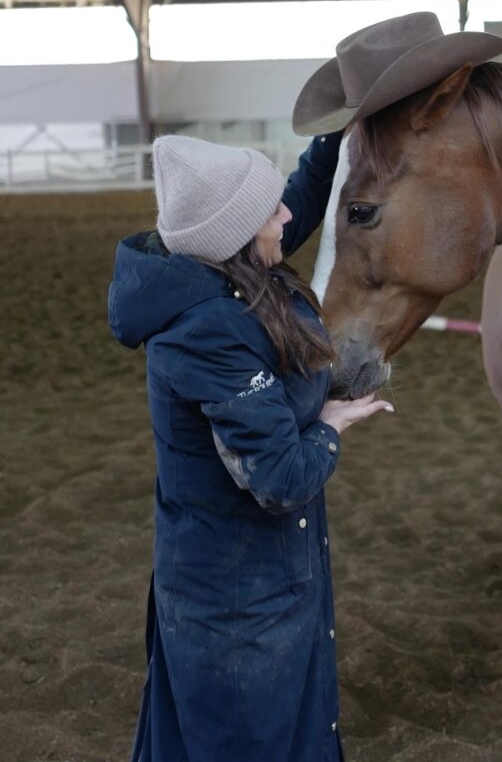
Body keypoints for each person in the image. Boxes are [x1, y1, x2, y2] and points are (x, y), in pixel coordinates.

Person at [108, 131, 392, 762]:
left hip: (265, 581)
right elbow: (281, 478)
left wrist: (339, 131)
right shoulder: (208, 332)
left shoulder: (224, 270)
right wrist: (331, 425)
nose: (286, 219)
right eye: (270, 214)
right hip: (237, 608)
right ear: (235, 234)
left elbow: (297, 199)